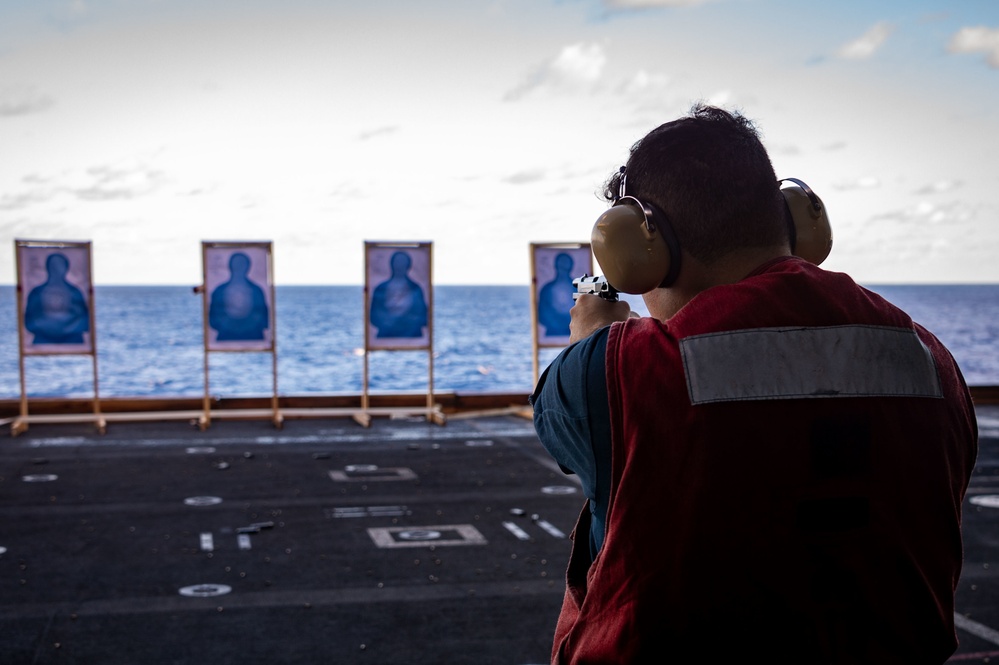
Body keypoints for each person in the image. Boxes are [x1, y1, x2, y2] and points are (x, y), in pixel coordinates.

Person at [530, 104, 978, 663]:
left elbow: (560, 420)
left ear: (642, 248)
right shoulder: (931, 360)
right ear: (792, 223)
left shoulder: (620, 371)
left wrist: (593, 337)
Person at [24, 252, 90, 345]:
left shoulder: (75, 293)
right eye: (53, 266)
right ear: (48, 268)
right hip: (43, 342)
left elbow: (84, 323)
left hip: (73, 342)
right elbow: (30, 323)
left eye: (59, 267)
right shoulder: (37, 292)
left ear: (66, 268)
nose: (56, 270)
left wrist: (65, 327)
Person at [208, 252, 269, 341]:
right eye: (236, 265)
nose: (239, 268)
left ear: (248, 267)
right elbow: (213, 321)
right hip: (226, 337)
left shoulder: (257, 291)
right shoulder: (219, 291)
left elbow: (264, 319)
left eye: (242, 264)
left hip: (254, 337)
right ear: (230, 267)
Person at [369, 250, 428, 338]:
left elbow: (424, 318)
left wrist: (407, 322)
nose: (400, 266)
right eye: (397, 263)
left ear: (408, 265)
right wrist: (389, 323)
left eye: (403, 263)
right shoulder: (380, 288)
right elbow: (374, 317)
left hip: (412, 338)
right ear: (392, 264)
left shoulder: (416, 288)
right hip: (386, 337)